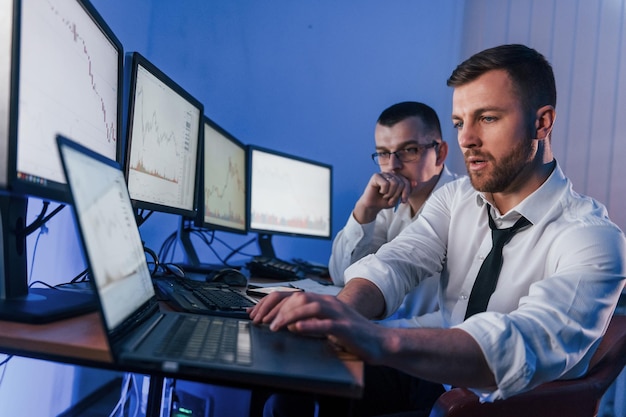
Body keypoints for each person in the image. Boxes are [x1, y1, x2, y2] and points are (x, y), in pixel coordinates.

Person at [249, 43, 626, 417]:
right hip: (440, 386)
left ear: (542, 122)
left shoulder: (593, 237)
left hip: (502, 409)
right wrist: (338, 314)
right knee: (300, 378)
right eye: (461, 122)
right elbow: (396, 262)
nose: (467, 139)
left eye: (488, 118)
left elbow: (519, 345)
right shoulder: (457, 198)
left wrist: (376, 338)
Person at [329, 101, 459, 319]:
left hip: (428, 343)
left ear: (440, 153)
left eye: (409, 150)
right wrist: (365, 210)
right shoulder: (386, 203)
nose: (392, 166)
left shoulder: (466, 205)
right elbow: (340, 277)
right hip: (381, 336)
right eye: (383, 153)